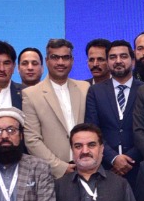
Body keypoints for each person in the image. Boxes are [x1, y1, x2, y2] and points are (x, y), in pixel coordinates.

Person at [21, 38, 91, 178]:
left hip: (86, 168)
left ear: (72, 61)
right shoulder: (31, 94)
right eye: (55, 57)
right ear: (46, 60)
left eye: (65, 57)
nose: (60, 62)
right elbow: (32, 139)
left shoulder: (85, 88)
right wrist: (60, 167)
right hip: (52, 174)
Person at [83, 39, 143, 179]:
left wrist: (129, 159)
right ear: (108, 62)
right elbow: (93, 130)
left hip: (139, 167)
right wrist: (113, 158)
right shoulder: (95, 91)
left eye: (123, 56)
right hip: (106, 167)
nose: (118, 61)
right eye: (112, 57)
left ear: (133, 61)